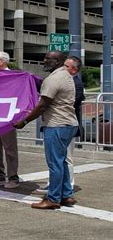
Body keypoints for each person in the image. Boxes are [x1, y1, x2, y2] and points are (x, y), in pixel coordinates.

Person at [14, 51, 78, 209]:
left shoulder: (54, 78)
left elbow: (43, 105)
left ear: (58, 61)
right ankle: (66, 195)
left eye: (49, 59)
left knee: (55, 163)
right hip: (68, 124)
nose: (45, 60)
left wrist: (24, 121)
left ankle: (53, 198)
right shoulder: (65, 75)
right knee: (62, 162)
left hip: (56, 125)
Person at [37, 55, 85, 194]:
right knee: (59, 160)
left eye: (67, 66)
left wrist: (25, 120)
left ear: (74, 70)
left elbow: (58, 103)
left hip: (62, 125)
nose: (64, 68)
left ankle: (61, 190)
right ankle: (62, 190)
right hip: (60, 124)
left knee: (62, 160)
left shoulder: (74, 83)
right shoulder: (62, 79)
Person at [0, 52, 19, 189]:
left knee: (10, 148)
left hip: (8, 116)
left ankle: (13, 177)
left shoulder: (14, 77)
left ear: (3, 61)